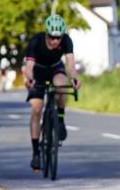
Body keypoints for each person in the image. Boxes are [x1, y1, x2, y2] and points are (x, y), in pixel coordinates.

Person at [24, 14, 80, 171]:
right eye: (52, 37)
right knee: (36, 109)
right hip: (38, 72)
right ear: (46, 34)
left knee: (61, 86)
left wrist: (74, 79)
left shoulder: (66, 41)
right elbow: (29, 67)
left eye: (58, 38)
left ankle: (60, 119)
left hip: (56, 68)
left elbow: (70, 63)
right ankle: (36, 153)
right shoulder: (36, 41)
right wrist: (30, 79)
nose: (55, 41)